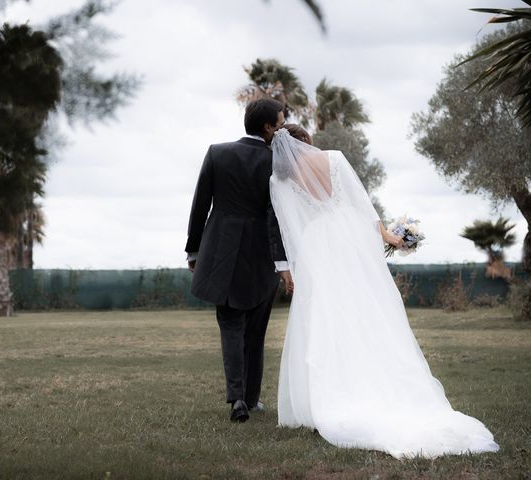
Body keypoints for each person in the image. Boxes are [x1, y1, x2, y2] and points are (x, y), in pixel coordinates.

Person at [270, 125, 499, 458]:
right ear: (305, 142)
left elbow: (289, 227)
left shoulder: (280, 180)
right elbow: (363, 205)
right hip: (351, 236)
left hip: (317, 245)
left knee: (328, 315)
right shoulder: (333, 159)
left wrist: (296, 267)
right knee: (368, 308)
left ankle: (335, 390)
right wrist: (388, 236)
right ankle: (380, 379)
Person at [185, 98, 293, 423]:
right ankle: (251, 398)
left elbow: (200, 205)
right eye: (281, 122)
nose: (283, 128)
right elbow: (276, 216)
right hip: (261, 258)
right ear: (267, 127)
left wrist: (193, 250)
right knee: (255, 333)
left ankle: (237, 400)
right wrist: (282, 261)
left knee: (230, 326)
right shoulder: (276, 161)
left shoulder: (217, 153)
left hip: (221, 252)